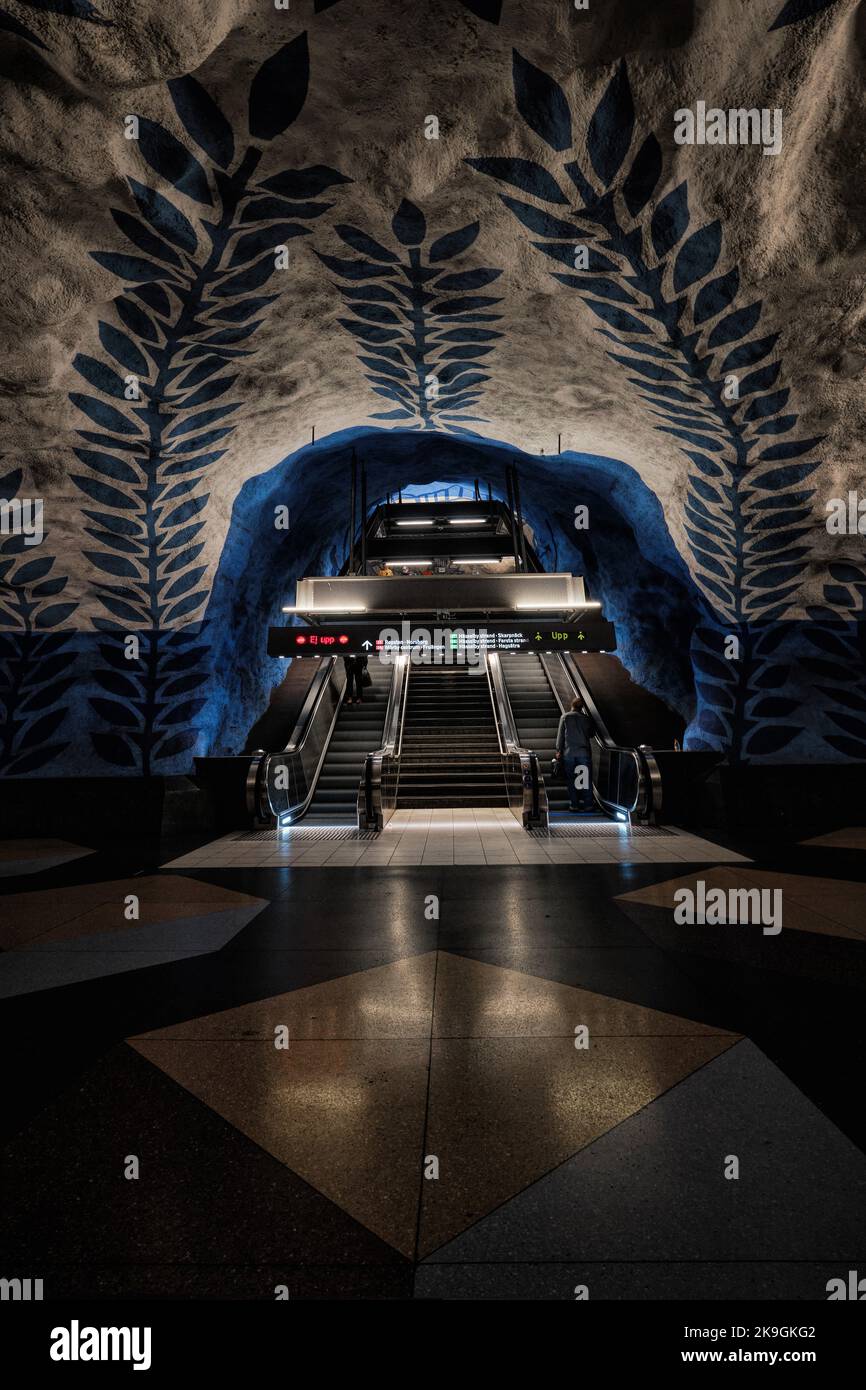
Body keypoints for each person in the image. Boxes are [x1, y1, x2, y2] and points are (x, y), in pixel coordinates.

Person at [555, 697, 595, 812]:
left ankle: (574, 805)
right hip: (584, 753)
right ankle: (588, 805)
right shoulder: (586, 719)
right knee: (585, 780)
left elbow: (560, 736)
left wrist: (558, 750)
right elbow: (591, 734)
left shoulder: (565, 717)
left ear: (572, 705)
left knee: (571, 780)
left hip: (569, 754)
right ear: (582, 707)